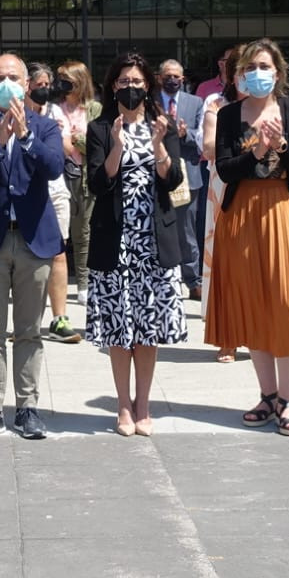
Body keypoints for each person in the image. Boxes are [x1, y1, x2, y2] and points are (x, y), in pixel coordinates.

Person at [206, 39, 289, 435]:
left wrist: (281, 145)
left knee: (288, 302)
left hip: (284, 211)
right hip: (242, 214)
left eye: (265, 65)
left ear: (277, 71)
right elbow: (224, 168)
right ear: (240, 73)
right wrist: (255, 153)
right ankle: (268, 393)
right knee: (252, 301)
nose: (258, 72)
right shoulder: (229, 114)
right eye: (251, 66)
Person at [0, 53, 66, 441]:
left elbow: (54, 167)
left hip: (34, 239)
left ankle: (27, 406)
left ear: (27, 83)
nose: (6, 83)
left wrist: (25, 137)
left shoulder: (46, 125)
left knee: (29, 330)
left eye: (13, 77)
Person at [86, 52, 188, 437]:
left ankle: (144, 405)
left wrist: (160, 144)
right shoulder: (100, 128)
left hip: (153, 241)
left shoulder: (164, 125)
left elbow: (173, 178)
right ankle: (123, 406)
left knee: (148, 328)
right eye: (124, 82)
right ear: (113, 86)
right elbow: (99, 182)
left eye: (138, 82)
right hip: (115, 239)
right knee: (118, 328)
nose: (131, 88)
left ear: (150, 85)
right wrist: (115, 144)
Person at [27, 63, 83, 343]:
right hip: (25, 189)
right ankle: (28, 320)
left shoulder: (55, 112)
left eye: (47, 85)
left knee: (58, 252)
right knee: (27, 256)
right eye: (38, 85)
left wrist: (57, 133)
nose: (44, 90)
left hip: (55, 188)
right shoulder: (10, 113)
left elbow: (66, 150)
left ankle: (59, 318)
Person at [157, 59, 207, 299]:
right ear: (159, 78)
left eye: (177, 76)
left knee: (186, 231)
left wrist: (186, 134)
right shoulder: (150, 102)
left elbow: (202, 136)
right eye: (168, 75)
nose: (173, 80)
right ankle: (162, 278)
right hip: (157, 172)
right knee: (158, 227)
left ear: (183, 79)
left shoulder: (195, 102)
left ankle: (193, 280)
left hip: (188, 172)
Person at [200, 54, 239, 362]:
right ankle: (228, 336)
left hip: (263, 187)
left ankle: (258, 331)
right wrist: (254, 142)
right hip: (225, 184)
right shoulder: (215, 104)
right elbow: (210, 148)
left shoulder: (276, 107)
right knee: (226, 260)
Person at [56, 60, 99, 309]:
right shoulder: (55, 109)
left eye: (67, 80)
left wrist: (76, 139)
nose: (63, 85)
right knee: (60, 235)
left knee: (83, 233)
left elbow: (96, 147)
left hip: (84, 180)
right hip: (59, 176)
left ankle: (84, 284)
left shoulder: (93, 109)